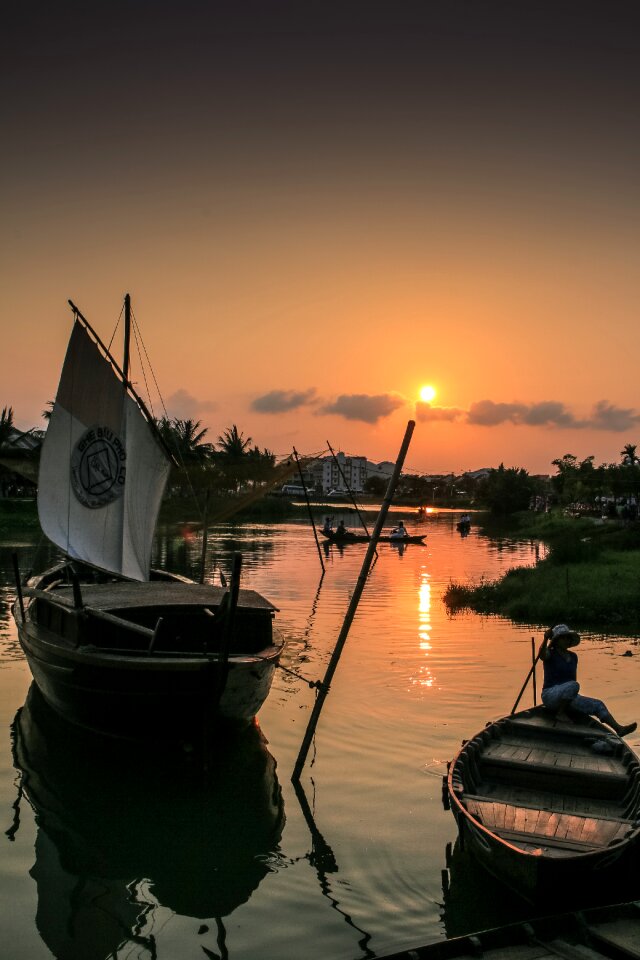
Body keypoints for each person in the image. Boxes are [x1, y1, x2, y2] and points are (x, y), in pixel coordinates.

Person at [540, 624, 637, 737]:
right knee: (573, 685)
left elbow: (572, 680)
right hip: (550, 696)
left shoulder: (573, 657)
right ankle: (560, 714)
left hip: (568, 696)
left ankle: (619, 728)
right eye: (563, 637)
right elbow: (542, 655)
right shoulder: (550, 653)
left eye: (568, 637)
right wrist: (546, 638)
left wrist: (573, 698)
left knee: (598, 704)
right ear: (556, 640)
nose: (567, 640)